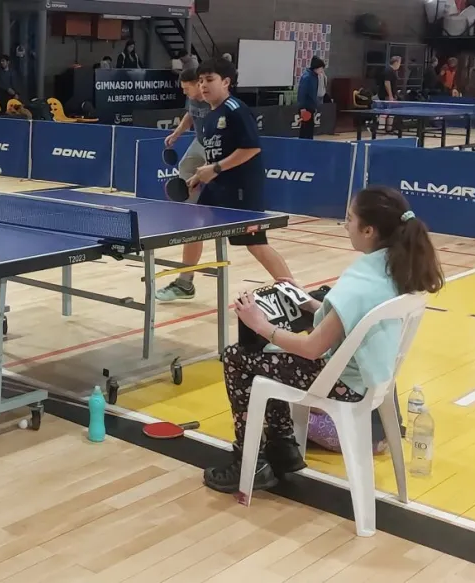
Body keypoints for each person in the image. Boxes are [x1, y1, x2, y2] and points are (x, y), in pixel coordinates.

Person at [203, 186, 444, 493]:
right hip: (370, 379)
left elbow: (312, 347)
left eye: (350, 219)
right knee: (272, 360)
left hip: (343, 383)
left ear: (368, 230)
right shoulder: (394, 269)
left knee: (237, 357)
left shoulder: (360, 282)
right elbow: (354, 320)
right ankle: (282, 448)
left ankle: (253, 461)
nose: (345, 225)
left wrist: (260, 325)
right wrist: (309, 303)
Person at [186, 57, 294, 284]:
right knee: (193, 228)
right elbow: (216, 153)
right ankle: (184, 282)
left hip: (242, 188)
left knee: (255, 244)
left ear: (226, 82)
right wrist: (199, 175)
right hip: (218, 186)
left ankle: (293, 291)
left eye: (209, 80)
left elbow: (251, 148)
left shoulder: (236, 110)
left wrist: (216, 168)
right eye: (201, 80)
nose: (203, 85)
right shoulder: (210, 116)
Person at [155, 67, 212, 302]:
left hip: (215, 145)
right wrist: (177, 133)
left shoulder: (215, 103)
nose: (184, 91)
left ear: (199, 84)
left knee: (203, 173)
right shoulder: (193, 100)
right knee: (186, 167)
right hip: (199, 141)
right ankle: (190, 206)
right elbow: (190, 115)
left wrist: (210, 167)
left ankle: (200, 204)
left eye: (186, 87)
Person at [296, 56, 326, 140]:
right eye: (321, 68)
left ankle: (308, 143)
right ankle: (303, 144)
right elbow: (302, 93)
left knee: (309, 129)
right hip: (306, 108)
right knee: (305, 130)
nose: (322, 71)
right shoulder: (307, 77)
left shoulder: (315, 76)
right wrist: (302, 108)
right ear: (316, 68)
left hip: (311, 107)